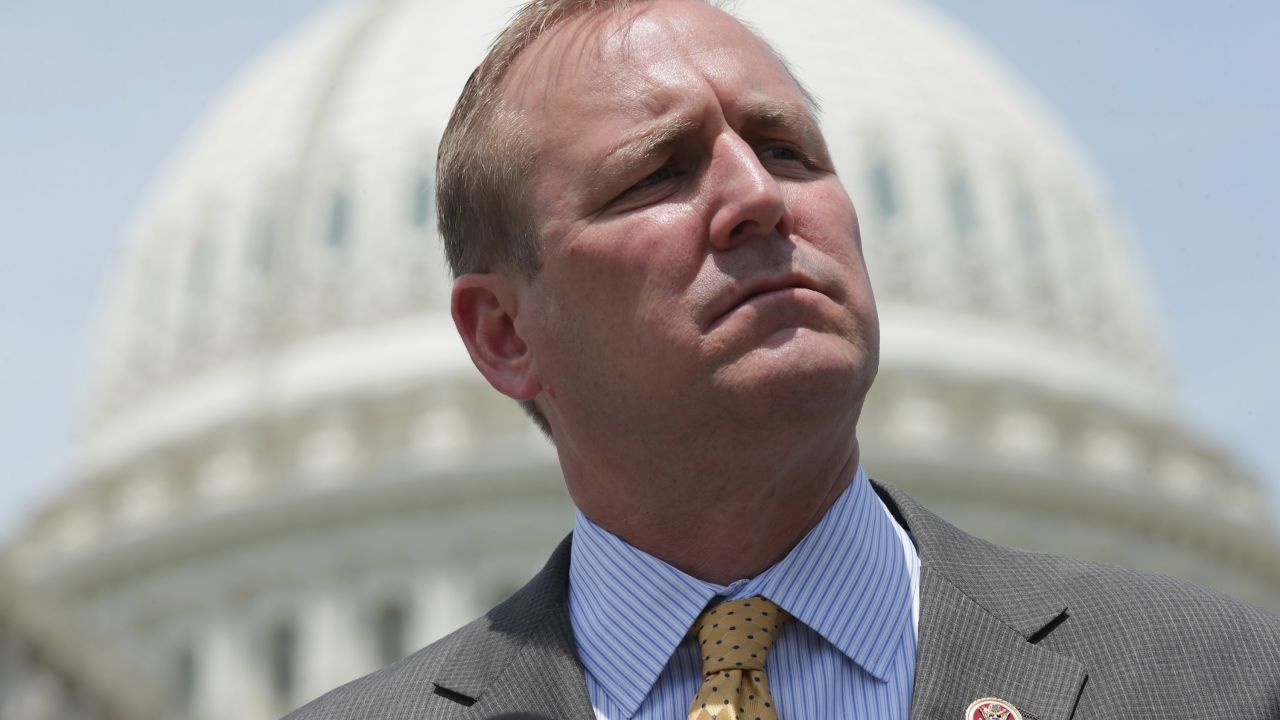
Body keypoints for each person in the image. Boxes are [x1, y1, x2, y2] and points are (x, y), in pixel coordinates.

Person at [286, 1, 1280, 718]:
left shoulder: (1221, 681)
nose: (757, 196)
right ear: (504, 334)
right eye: (657, 172)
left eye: (788, 151)